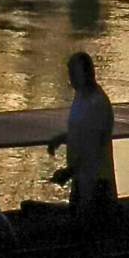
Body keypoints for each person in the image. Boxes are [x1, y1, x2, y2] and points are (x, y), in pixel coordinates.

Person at [45, 52, 117, 220]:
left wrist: (68, 172)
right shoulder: (81, 96)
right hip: (81, 178)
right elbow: (82, 132)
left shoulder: (97, 103)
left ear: (85, 73)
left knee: (89, 226)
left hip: (96, 181)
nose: (70, 79)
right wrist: (61, 138)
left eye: (73, 74)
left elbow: (92, 148)